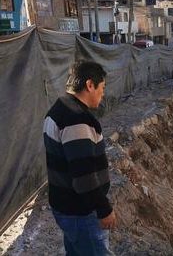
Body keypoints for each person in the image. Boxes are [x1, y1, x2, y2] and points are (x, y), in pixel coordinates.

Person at [43, 61, 116, 255]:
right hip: (81, 211)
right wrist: (103, 209)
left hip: (66, 206)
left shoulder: (58, 109)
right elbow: (84, 176)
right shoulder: (76, 120)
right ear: (90, 85)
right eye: (102, 88)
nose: (103, 93)